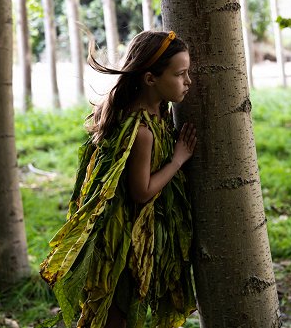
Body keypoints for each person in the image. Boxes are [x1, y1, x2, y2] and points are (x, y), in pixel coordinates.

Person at [40, 30, 197, 328]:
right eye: (180, 74)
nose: (188, 81)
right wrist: (179, 158)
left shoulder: (157, 114)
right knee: (114, 318)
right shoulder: (141, 132)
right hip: (120, 243)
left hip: (131, 237)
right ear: (151, 79)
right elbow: (142, 192)